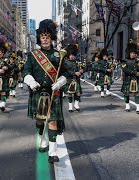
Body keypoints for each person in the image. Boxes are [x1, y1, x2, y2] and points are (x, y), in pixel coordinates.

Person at [23, 19, 69, 164]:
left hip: (53, 92)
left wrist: (60, 82)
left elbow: (66, 72)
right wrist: (31, 81)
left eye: (48, 37)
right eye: (42, 37)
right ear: (39, 39)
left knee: (53, 121)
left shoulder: (58, 55)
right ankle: (42, 140)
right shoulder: (33, 55)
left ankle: (52, 152)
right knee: (40, 119)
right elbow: (26, 71)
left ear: (51, 38)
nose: (45, 39)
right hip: (37, 91)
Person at [120, 41, 139, 114]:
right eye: (131, 53)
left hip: (135, 79)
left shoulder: (138, 60)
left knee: (137, 92)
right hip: (127, 79)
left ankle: (138, 108)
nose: (132, 54)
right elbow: (125, 70)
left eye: (133, 53)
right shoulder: (124, 61)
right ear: (128, 53)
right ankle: (127, 105)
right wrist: (135, 72)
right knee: (126, 93)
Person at [63, 44, 83, 112]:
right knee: (70, 94)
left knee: (77, 93)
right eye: (72, 55)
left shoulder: (76, 62)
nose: (73, 57)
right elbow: (65, 71)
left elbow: (80, 69)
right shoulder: (65, 62)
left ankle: (76, 104)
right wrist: (74, 73)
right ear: (68, 54)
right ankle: (70, 106)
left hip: (76, 80)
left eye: (74, 55)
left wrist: (81, 71)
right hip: (69, 80)